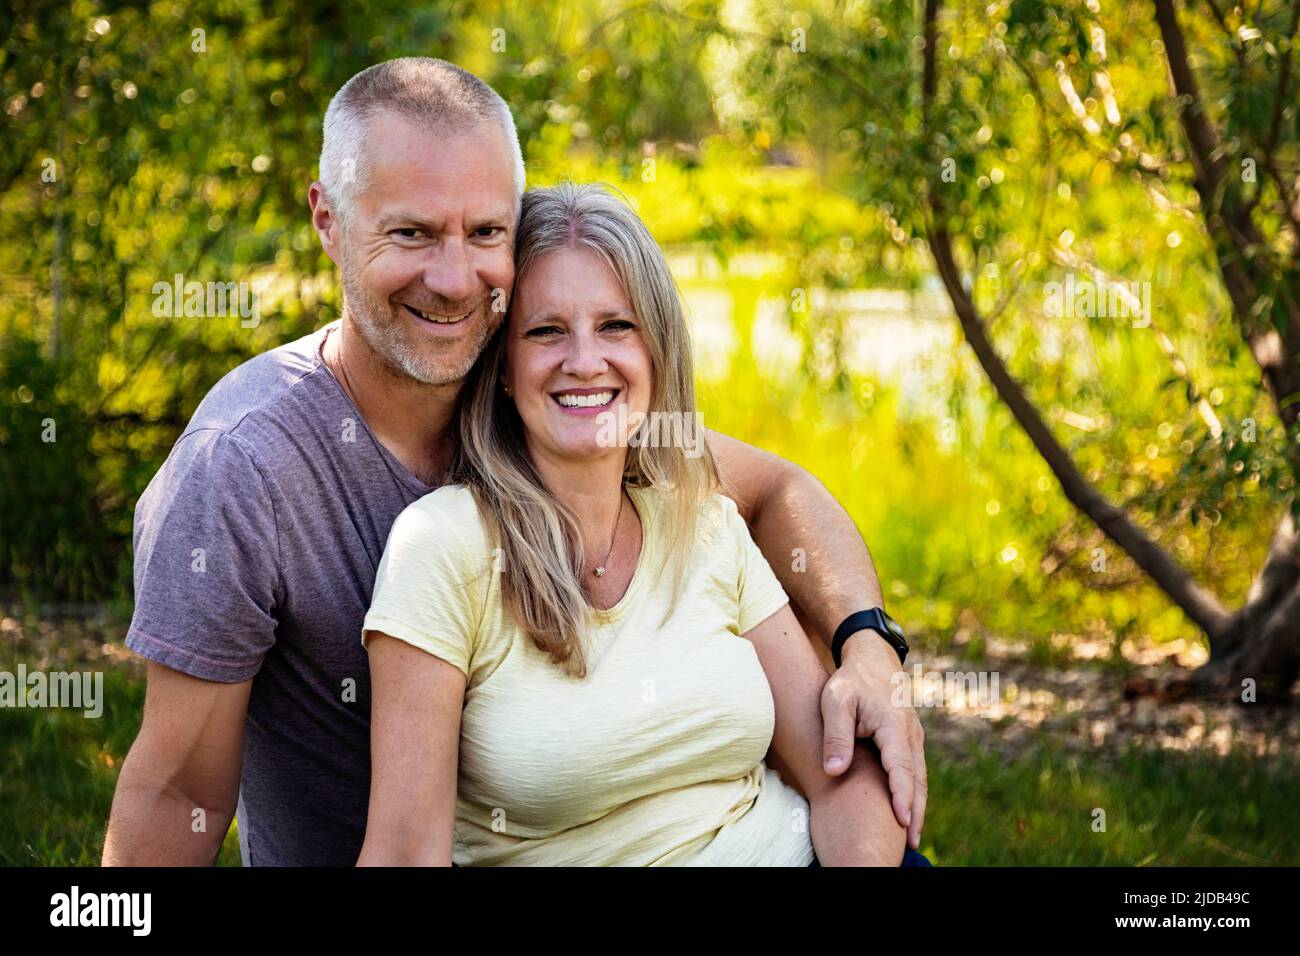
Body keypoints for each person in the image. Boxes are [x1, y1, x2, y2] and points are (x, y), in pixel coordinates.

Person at [102, 57, 927, 867]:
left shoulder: (548, 409)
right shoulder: (241, 468)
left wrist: (869, 647)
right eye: (411, 232)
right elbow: (177, 794)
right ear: (327, 219)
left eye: (486, 232)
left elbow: (779, 489)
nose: (455, 278)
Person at [358, 182, 913, 865]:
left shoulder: (702, 522)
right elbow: (403, 852)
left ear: (655, 350)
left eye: (616, 326)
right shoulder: (445, 547)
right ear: (504, 368)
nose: (585, 361)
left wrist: (869, 646)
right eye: (546, 331)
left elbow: (839, 775)